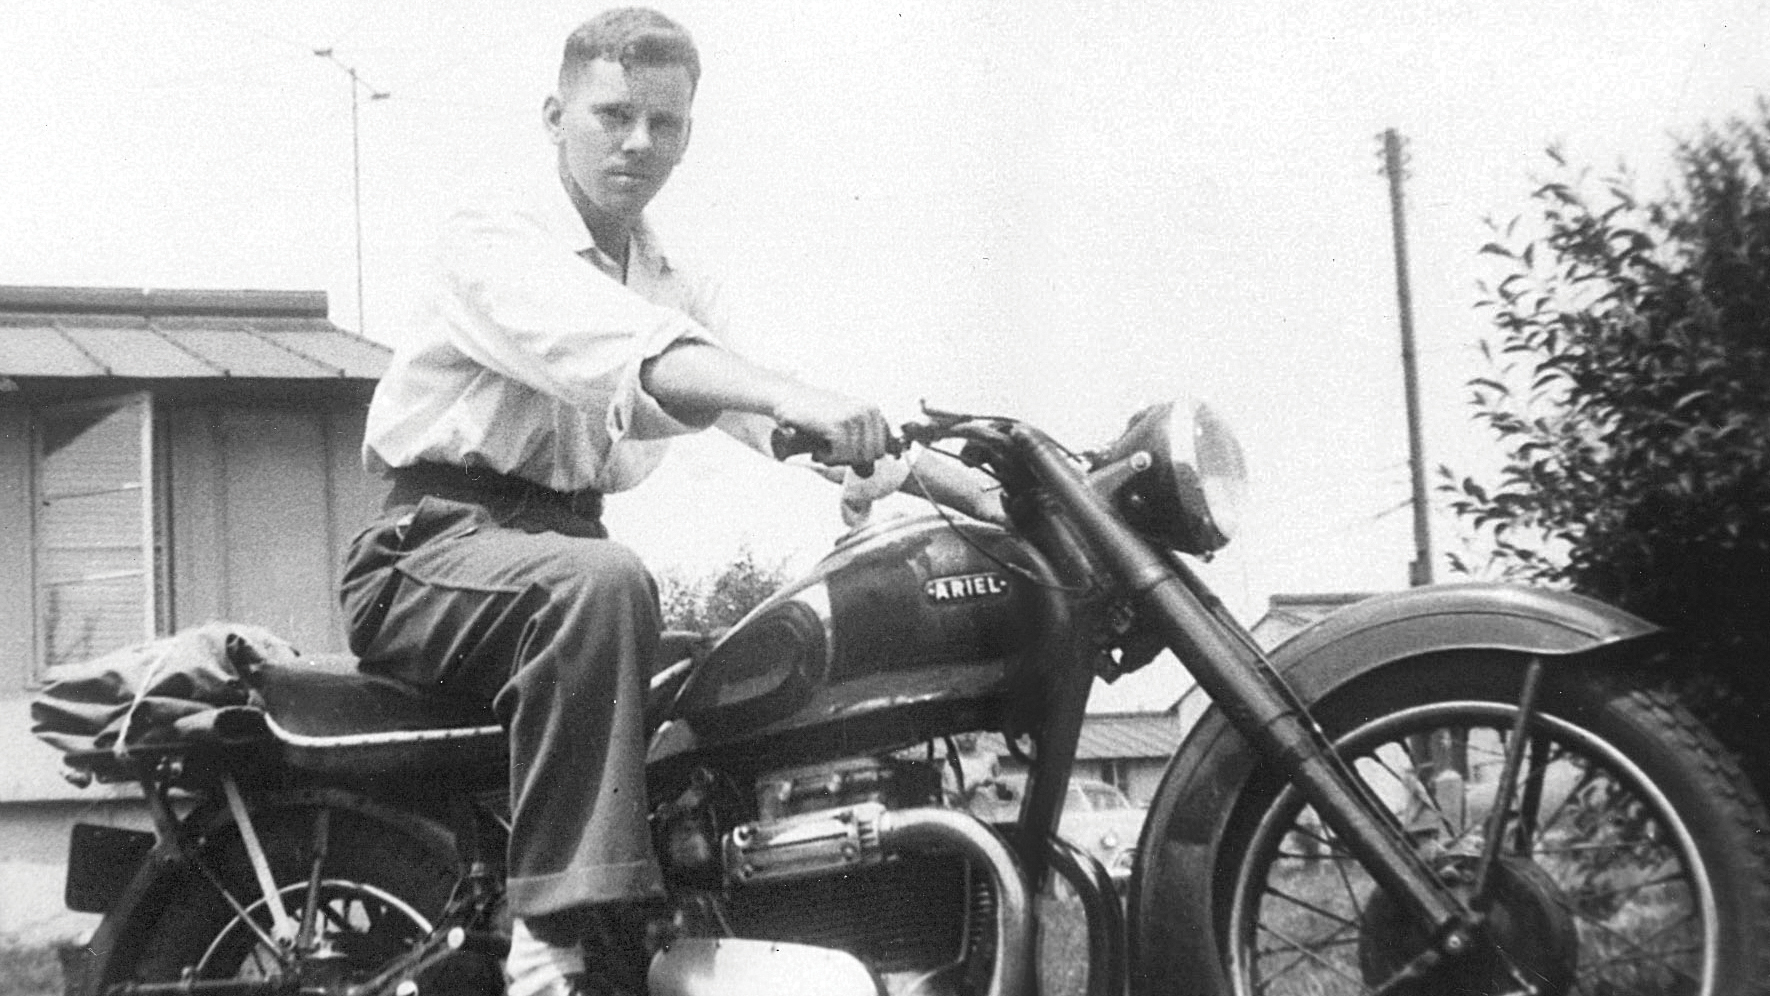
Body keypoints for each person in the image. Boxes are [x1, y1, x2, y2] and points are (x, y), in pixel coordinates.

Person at [338, 8, 997, 996]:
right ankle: (546, 952)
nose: (639, 142)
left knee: (722, 669)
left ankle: (689, 926)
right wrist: (778, 395)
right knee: (604, 587)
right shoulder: (494, 234)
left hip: (550, 556)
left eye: (667, 124)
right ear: (556, 114)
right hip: (428, 550)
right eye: (614, 114)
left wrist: (951, 479)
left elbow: (763, 404)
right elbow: (626, 353)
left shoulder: (669, 277)